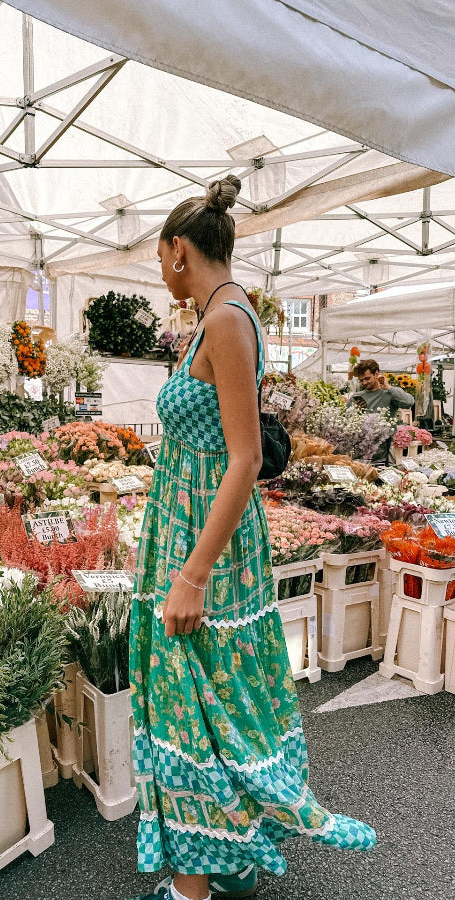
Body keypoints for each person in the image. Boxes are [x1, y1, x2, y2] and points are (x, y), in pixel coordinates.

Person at [129, 176, 376, 900]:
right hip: (188, 531)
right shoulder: (213, 317)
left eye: (159, 255)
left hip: (207, 547)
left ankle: (192, 889)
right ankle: (223, 859)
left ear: (180, 250)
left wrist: (191, 575)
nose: (158, 268)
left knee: (198, 706)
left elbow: (243, 458)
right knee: (208, 703)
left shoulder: (228, 319)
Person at [347, 359, 414, 464]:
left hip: (385, 447)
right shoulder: (357, 397)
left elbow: (409, 402)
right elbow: (346, 421)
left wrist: (388, 388)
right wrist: (354, 411)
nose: (364, 382)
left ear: (376, 374)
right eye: (361, 380)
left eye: (367, 378)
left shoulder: (389, 393)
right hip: (362, 447)